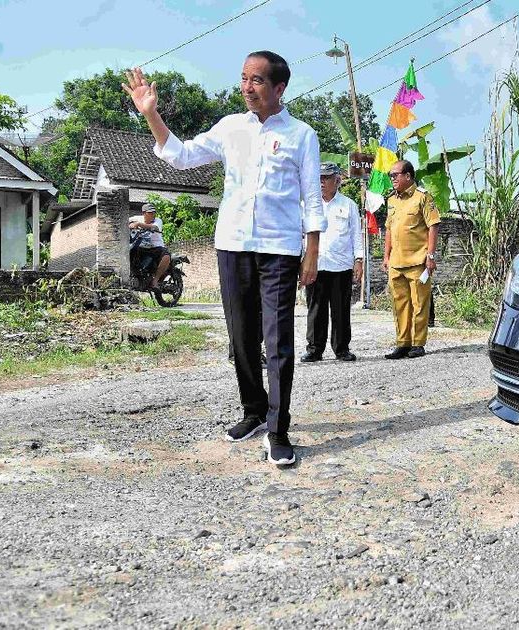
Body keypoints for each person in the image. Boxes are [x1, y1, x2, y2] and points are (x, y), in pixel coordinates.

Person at [122, 52, 325, 466]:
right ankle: (253, 411)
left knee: (278, 340)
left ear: (279, 88)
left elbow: (312, 199)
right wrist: (150, 114)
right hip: (232, 244)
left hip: (279, 250)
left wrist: (312, 253)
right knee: (240, 336)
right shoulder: (231, 127)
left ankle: (278, 428)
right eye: (244, 78)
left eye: (257, 81)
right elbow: (182, 154)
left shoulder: (302, 135)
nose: (247, 87)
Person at [301, 162, 363, 363]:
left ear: (337, 180)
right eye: (318, 178)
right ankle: (314, 349)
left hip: (341, 265)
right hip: (315, 265)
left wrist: (359, 260)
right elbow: (300, 235)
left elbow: (356, 235)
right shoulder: (308, 205)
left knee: (341, 310)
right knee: (315, 309)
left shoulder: (349, 205)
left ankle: (342, 348)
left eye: (326, 178)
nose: (321, 182)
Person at [382, 160, 440, 360]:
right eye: (391, 176)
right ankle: (402, 343)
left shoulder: (422, 198)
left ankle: (417, 343)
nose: (393, 179)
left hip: (417, 261)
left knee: (419, 304)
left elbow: (433, 225)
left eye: (395, 175)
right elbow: (389, 229)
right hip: (396, 263)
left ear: (408, 176)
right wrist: (386, 256)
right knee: (400, 305)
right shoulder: (391, 201)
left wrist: (430, 256)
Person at [128, 203, 170, 288]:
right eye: (150, 213)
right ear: (144, 213)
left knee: (167, 255)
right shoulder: (137, 218)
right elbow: (123, 219)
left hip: (156, 247)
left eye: (154, 212)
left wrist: (138, 224)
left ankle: (155, 281)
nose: (153, 215)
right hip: (141, 247)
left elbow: (155, 227)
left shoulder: (158, 220)